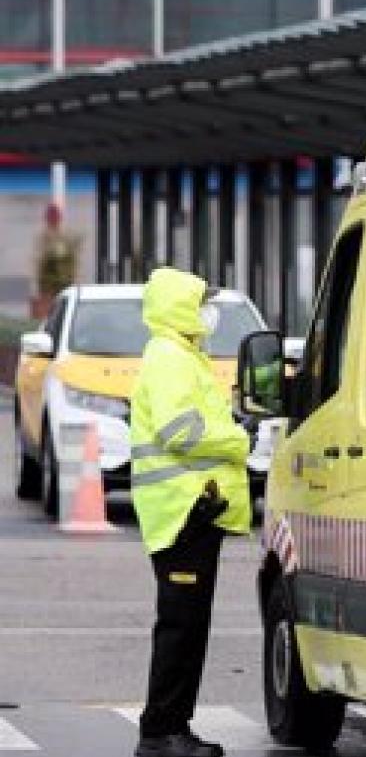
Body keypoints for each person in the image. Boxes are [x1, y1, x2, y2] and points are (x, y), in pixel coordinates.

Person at [130, 268, 251, 757]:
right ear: (182, 308)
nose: (210, 312)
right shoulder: (169, 358)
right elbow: (179, 431)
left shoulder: (183, 357)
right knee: (180, 627)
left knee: (190, 626)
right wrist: (238, 439)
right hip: (182, 514)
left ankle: (173, 727)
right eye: (204, 302)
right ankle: (160, 732)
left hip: (194, 513)